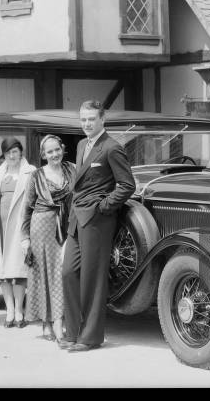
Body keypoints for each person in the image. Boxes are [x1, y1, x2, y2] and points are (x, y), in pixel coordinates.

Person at [60, 100, 135, 352]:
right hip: (76, 218)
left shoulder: (112, 147)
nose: (87, 124)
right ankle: (71, 332)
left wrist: (104, 207)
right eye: (83, 120)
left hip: (97, 220)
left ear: (102, 119)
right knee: (68, 272)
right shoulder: (82, 144)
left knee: (93, 279)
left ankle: (90, 338)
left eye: (91, 119)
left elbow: (127, 185)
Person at [21, 135, 76, 341]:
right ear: (43, 155)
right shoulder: (36, 175)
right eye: (50, 152)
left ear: (63, 149)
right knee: (44, 275)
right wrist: (24, 238)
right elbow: (26, 209)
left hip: (67, 225)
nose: (55, 154)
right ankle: (47, 323)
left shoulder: (72, 169)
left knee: (62, 273)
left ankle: (60, 320)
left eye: (57, 150)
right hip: (42, 228)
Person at [0, 137, 35, 328]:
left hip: (19, 227)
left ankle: (19, 310)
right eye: (8, 152)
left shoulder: (30, 172)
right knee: (3, 271)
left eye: (15, 152)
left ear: (21, 153)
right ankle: (9, 310)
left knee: (18, 271)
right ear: (3, 155)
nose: (12, 156)